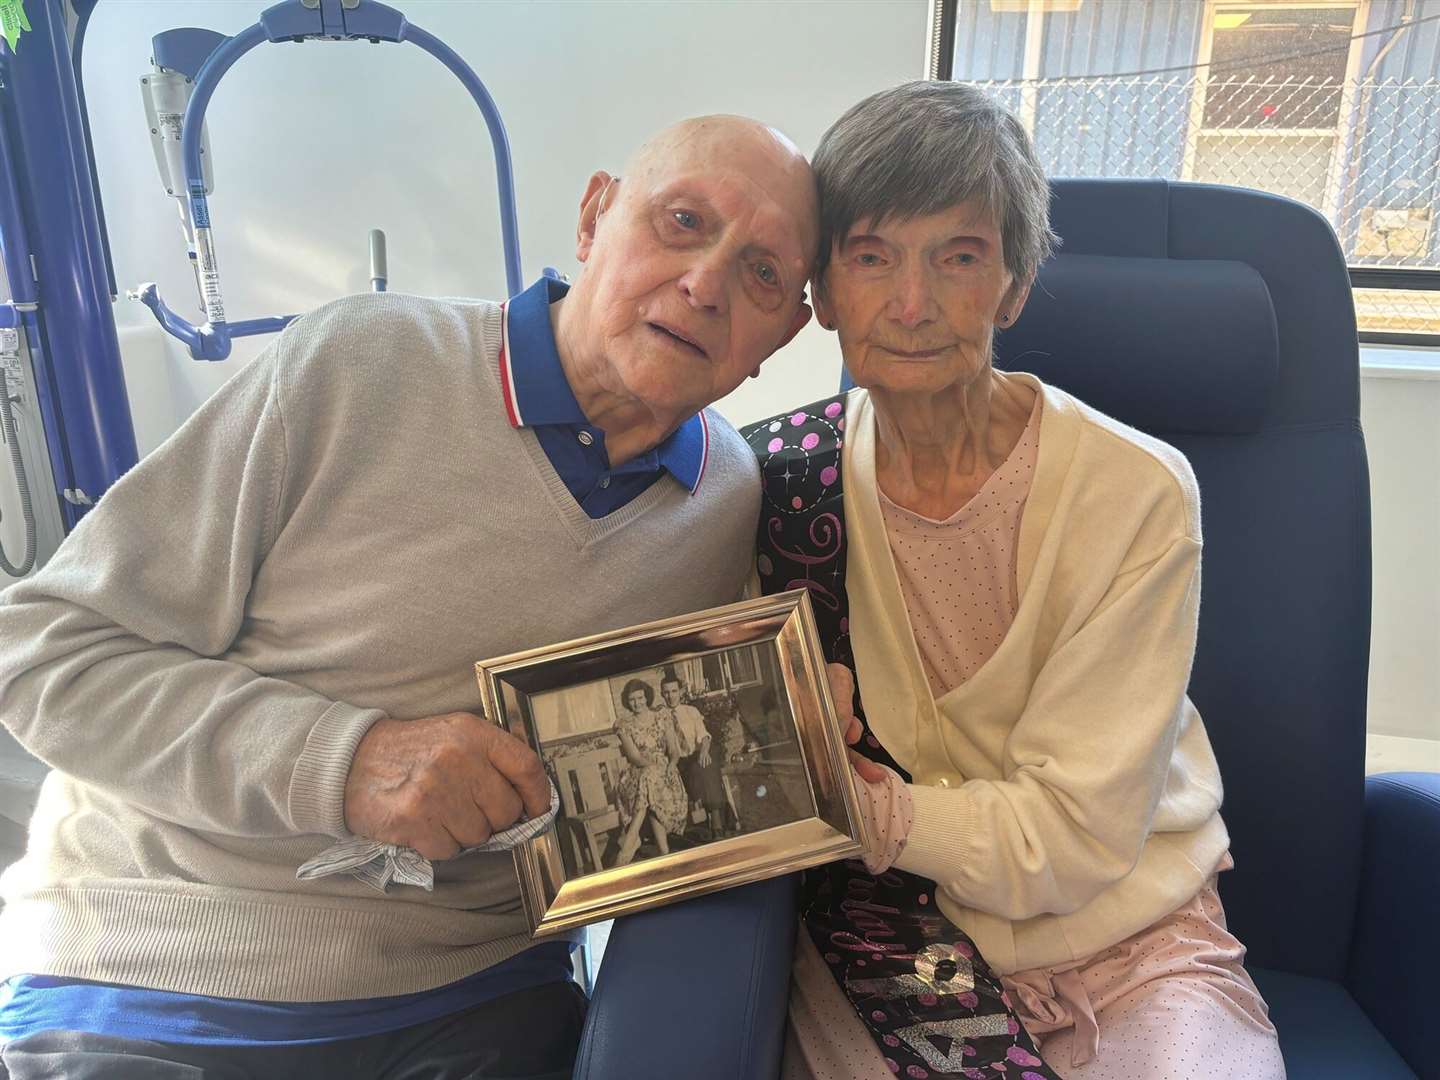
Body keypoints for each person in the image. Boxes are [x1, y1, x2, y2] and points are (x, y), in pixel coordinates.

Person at [0, 114, 818, 1079]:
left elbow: (675, 767)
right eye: (681, 221)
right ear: (595, 216)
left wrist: (801, 728)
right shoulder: (360, 362)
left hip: (480, 987)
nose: (707, 284)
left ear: (787, 332)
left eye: (764, 272)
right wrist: (343, 764)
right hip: (166, 957)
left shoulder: (726, 497)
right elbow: (43, 650)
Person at [746, 81, 1284, 1079]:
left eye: (959, 258)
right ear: (822, 293)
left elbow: (1078, 832)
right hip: (893, 938)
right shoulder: (777, 486)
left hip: (1136, 939)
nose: (912, 305)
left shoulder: (1135, 491)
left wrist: (858, 807)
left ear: (1016, 283)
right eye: (871, 259)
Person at [612, 679, 688, 865]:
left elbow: (674, 751)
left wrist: (672, 765)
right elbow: (634, 757)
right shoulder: (624, 724)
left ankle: (631, 842)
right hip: (637, 773)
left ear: (647, 696)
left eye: (640, 697)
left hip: (663, 771)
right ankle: (658, 849)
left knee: (652, 783)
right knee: (649, 778)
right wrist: (652, 767)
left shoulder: (662, 716)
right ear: (627, 702)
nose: (637, 702)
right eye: (632, 700)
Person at [659, 673, 731, 838]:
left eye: (674, 691)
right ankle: (714, 818)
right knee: (700, 768)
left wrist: (704, 751)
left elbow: (704, 735)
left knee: (705, 762)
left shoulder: (691, 711)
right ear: (662, 694)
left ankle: (716, 818)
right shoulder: (660, 717)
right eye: (667, 692)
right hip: (677, 761)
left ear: (681, 691)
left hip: (695, 755)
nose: (671, 696)